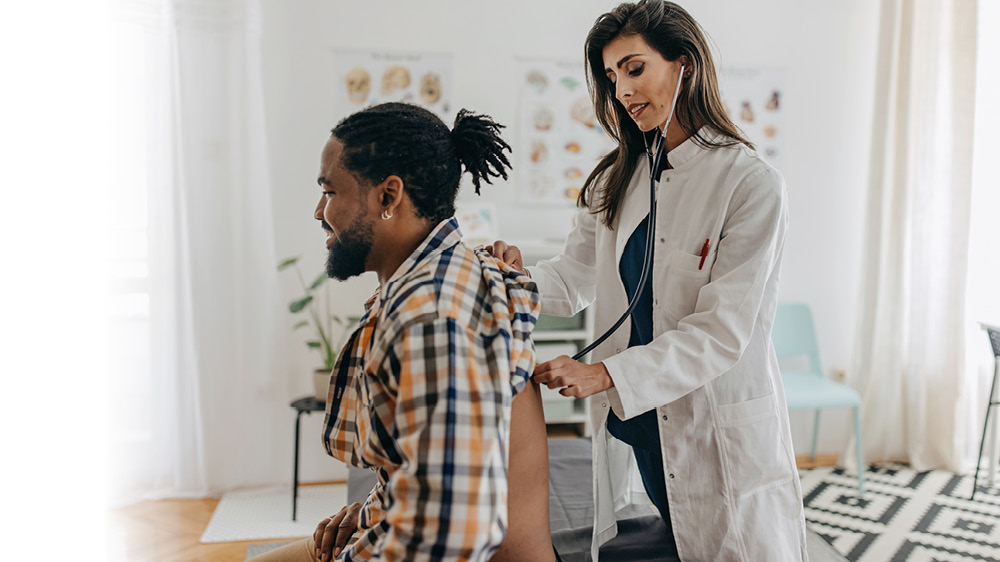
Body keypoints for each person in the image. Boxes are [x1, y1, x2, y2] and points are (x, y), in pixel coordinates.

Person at [488, 2, 808, 560]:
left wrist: (603, 374)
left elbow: (721, 334)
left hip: (713, 426)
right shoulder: (618, 178)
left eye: (634, 69)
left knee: (727, 543)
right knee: (671, 530)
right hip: (642, 423)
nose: (622, 92)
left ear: (685, 64)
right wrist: (515, 279)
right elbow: (574, 277)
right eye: (612, 78)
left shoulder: (751, 184)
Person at [249, 103, 555, 562]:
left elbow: (450, 535)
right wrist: (380, 510)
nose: (318, 211)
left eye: (330, 192)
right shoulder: (445, 273)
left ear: (388, 196)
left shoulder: (431, 314)